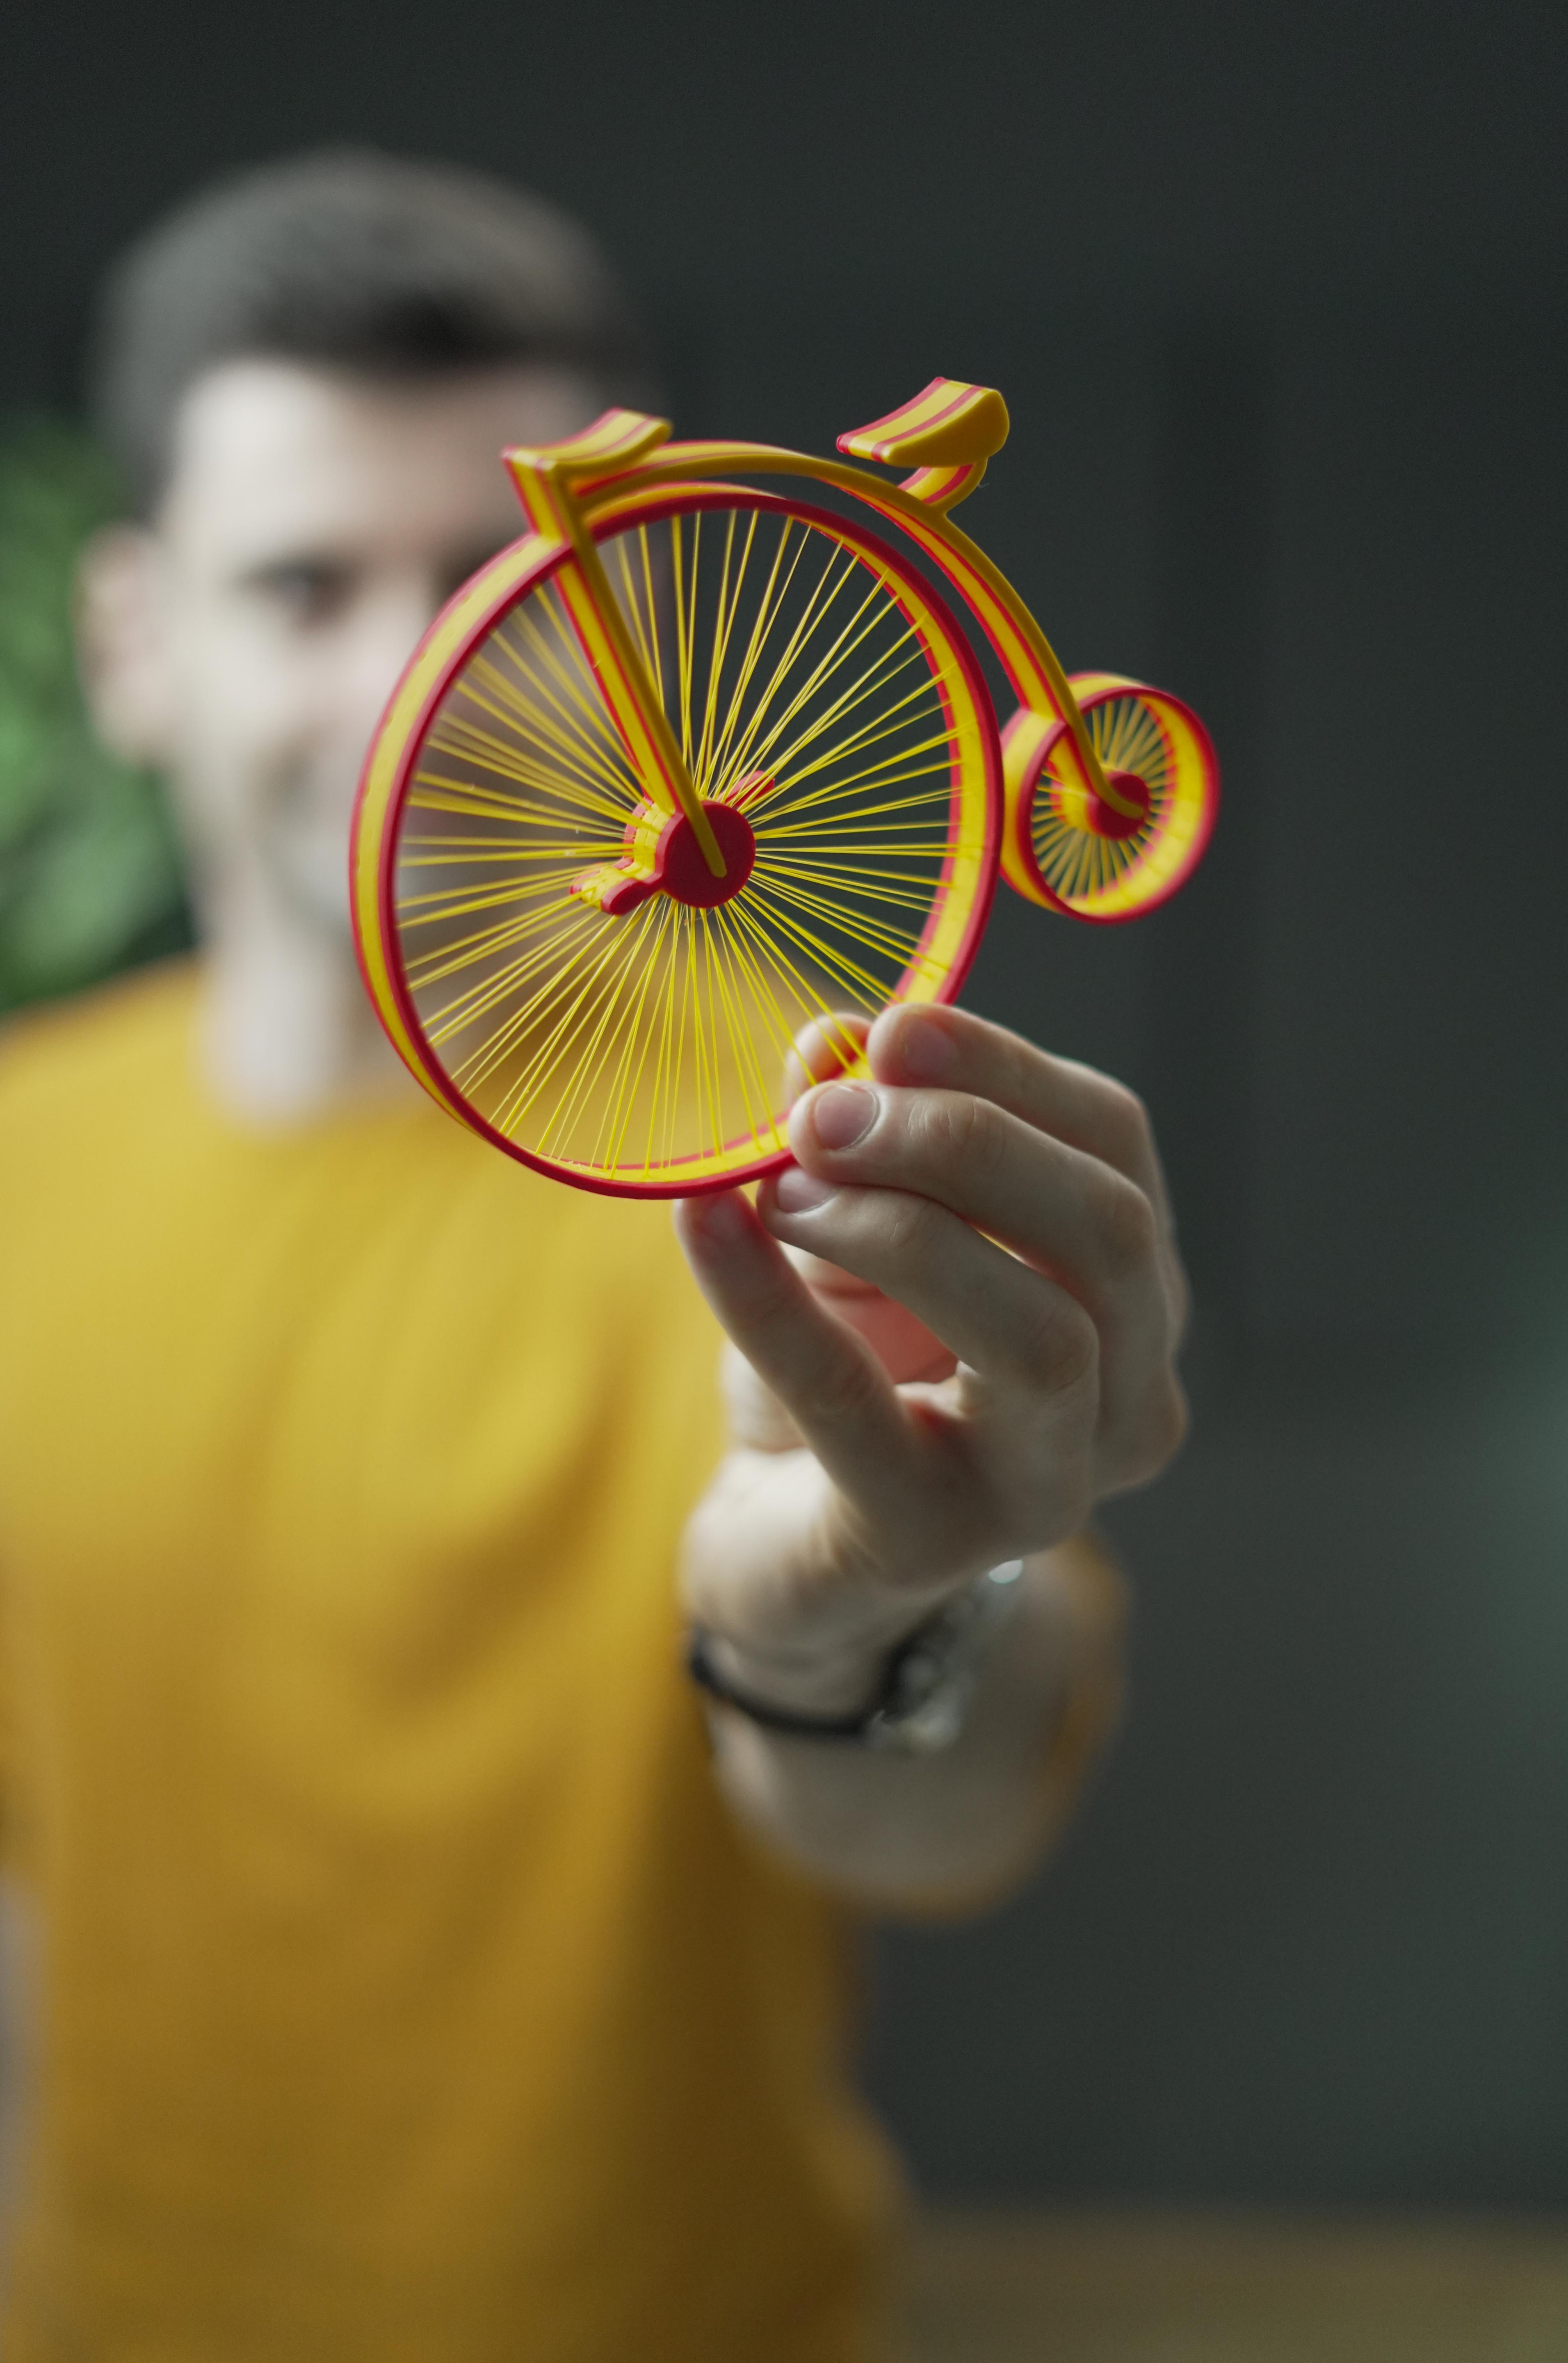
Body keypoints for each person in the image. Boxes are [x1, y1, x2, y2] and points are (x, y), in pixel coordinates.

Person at [0, 151, 1190, 2359]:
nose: (402, 677)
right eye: (303, 587)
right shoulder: (10, 1170)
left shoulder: (804, 1140)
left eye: (485, 577)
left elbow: (944, 1816)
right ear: (133, 645)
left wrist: (859, 1617)